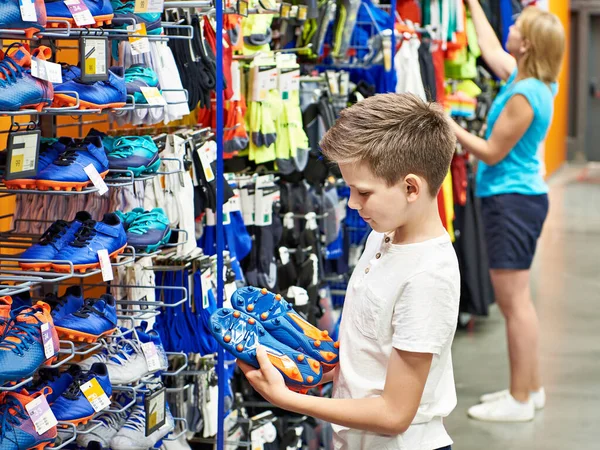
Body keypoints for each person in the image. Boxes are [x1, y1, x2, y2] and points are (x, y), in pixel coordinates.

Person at [238, 93, 460, 450]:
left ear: (410, 187)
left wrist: (287, 399)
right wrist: (318, 363)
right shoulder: (383, 236)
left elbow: (394, 414)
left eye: (363, 192)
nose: (352, 203)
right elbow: (375, 346)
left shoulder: (428, 277)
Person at [449, 1, 565, 422]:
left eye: (518, 25)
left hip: (511, 202)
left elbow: (492, 152)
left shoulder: (525, 94)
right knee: (520, 303)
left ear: (528, 44)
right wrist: (472, 4)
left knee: (515, 304)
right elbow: (490, 47)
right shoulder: (530, 78)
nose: (511, 24)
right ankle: (529, 390)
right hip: (520, 199)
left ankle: (520, 399)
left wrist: (447, 123)